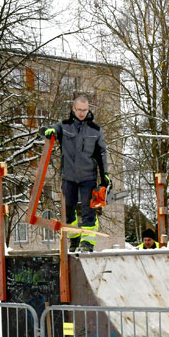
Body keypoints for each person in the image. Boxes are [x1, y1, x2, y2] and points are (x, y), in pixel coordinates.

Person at [44, 94, 109, 253]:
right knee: (68, 210)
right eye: (79, 110)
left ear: (88, 110)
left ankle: (87, 243)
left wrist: (105, 174)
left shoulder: (95, 130)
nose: (82, 113)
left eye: (85, 110)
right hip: (69, 177)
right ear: (73, 108)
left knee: (89, 211)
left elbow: (102, 153)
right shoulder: (64, 126)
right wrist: (49, 130)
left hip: (88, 177)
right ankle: (74, 240)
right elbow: (52, 129)